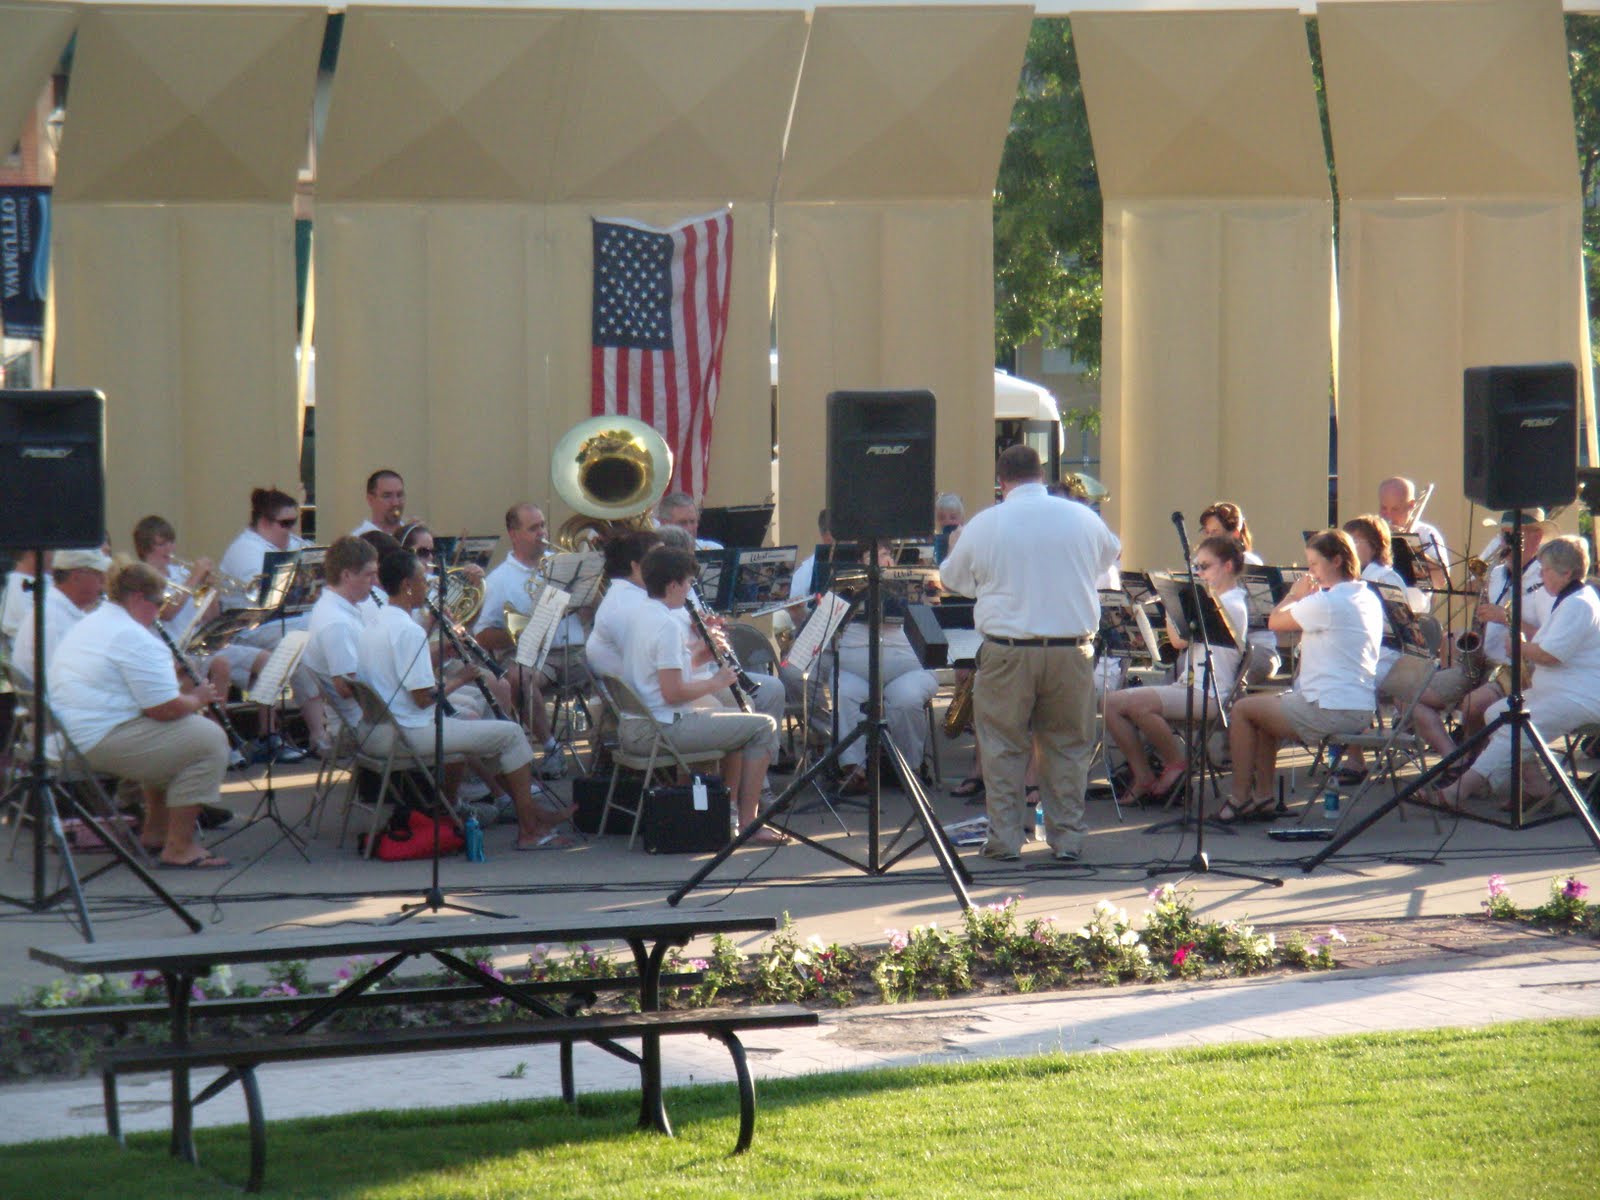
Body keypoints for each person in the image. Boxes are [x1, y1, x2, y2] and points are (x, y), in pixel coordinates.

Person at [940, 444, 1120, 862]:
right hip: (1071, 650)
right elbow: (1108, 556)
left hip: (1009, 649)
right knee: (1068, 746)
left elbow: (954, 581)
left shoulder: (985, 523)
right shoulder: (1082, 517)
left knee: (1003, 746)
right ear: (1042, 475)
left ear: (1001, 482)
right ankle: (1067, 838)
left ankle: (1005, 840)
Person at [357, 549, 575, 850]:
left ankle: (532, 813)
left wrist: (440, 658)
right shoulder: (408, 631)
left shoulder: (376, 623)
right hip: (407, 732)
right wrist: (462, 678)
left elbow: (400, 678)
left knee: (493, 735)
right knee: (511, 734)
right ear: (407, 585)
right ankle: (530, 830)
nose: (427, 588)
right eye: (422, 581)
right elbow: (422, 699)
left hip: (377, 730)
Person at [49, 562, 232, 868]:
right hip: (94, 738)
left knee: (177, 737)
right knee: (208, 739)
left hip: (71, 732)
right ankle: (179, 847)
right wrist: (197, 698)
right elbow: (164, 709)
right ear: (136, 598)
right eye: (157, 603)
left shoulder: (96, 622)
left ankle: (156, 832)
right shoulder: (133, 636)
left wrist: (171, 680)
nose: (159, 611)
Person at [1426, 536, 1600, 813]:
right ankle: (1537, 788)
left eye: (1546, 571)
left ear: (1567, 572)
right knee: (1495, 714)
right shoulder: (1567, 599)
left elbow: (1551, 655)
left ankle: (1459, 790)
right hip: (1556, 692)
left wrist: (1518, 646)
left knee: (1513, 725)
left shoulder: (1579, 604)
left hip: (1579, 697)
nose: (1541, 576)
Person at [621, 546, 780, 843]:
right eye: (687, 583)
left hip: (640, 723)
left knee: (738, 722)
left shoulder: (640, 614)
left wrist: (703, 657)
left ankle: (727, 815)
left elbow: (662, 676)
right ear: (673, 585)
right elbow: (673, 693)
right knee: (764, 726)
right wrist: (717, 681)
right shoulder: (667, 625)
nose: (689, 591)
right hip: (660, 728)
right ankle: (749, 823)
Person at [1222, 530, 1382, 822]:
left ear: (1336, 561)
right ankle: (1263, 798)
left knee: (1243, 709)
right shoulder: (1367, 596)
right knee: (1263, 714)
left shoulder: (1327, 602)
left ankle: (1240, 798)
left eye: (1314, 564)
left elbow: (1275, 621)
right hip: (1359, 706)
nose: (1311, 572)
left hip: (1330, 708)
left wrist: (1294, 595)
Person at [1103, 535, 1248, 804]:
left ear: (1228, 566)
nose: (1199, 573)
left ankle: (1176, 763)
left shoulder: (1230, 603)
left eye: (1205, 567)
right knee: (1110, 703)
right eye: (1197, 567)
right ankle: (1143, 774)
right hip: (1190, 686)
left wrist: (1172, 604)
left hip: (1211, 693)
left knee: (1138, 706)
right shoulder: (1213, 598)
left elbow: (1178, 640)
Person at [1408, 511, 1549, 763]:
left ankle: (1473, 763)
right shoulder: (1496, 574)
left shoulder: (1545, 577)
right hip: (1484, 662)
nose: (1505, 542)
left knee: (1473, 704)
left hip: (1521, 669)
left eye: (1512, 536)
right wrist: (1475, 636)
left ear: (1536, 537)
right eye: (1503, 535)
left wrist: (1506, 617)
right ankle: (1455, 758)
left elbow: (1548, 637)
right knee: (1411, 696)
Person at [217, 487, 324, 760]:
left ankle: (320, 733)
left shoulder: (291, 543)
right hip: (248, 629)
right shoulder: (245, 549)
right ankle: (315, 733)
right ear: (264, 522)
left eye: (294, 522)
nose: (291, 530)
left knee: (310, 638)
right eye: (285, 524)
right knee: (303, 639)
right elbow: (267, 600)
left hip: (283, 625)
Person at [827, 542, 940, 796]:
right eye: (874, 556)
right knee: (842, 691)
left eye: (886, 554)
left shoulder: (911, 586)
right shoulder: (846, 590)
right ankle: (853, 770)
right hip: (855, 671)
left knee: (906, 699)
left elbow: (933, 628)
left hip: (908, 669)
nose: (882, 560)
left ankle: (909, 769)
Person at [471, 503, 564, 774]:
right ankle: (551, 747)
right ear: (514, 534)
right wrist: (522, 634)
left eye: (543, 525)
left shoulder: (562, 566)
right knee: (517, 677)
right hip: (531, 656)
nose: (542, 533)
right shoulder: (499, 580)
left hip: (574, 651)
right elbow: (482, 635)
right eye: (533, 528)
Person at [1201, 500, 1277, 682]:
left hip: (1256, 647)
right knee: (1184, 665)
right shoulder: (1205, 563)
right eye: (1207, 533)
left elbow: (1260, 616)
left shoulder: (1248, 562)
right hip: (1221, 645)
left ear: (1235, 534)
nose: (1210, 538)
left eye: (1215, 533)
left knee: (1221, 671)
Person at [10, 548, 109, 684]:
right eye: (99, 575)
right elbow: (60, 684)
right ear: (77, 577)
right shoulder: (53, 620)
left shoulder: (58, 612)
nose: (104, 582)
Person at [586, 530, 663, 682]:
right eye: (659, 559)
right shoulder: (627, 605)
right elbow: (652, 667)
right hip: (644, 691)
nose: (668, 565)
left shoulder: (635, 596)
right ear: (636, 566)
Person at [1378, 476, 1449, 596]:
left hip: (1414, 603)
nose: (1388, 516)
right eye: (1384, 508)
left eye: (1395, 509)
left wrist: (1408, 545)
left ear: (1411, 505)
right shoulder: (1372, 531)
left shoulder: (1427, 534)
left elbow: (1440, 580)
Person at [351, 469, 406, 538]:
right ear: (370, 499)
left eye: (399, 495)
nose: (395, 503)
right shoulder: (358, 540)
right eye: (387, 496)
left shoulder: (412, 536)